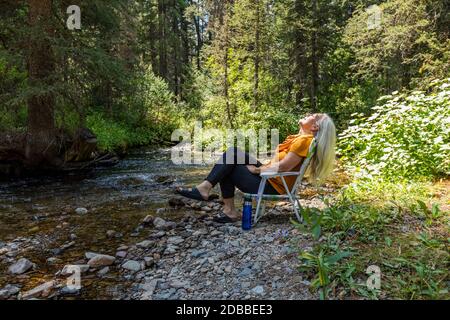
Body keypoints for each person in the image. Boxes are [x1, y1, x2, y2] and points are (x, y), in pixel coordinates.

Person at [176, 113, 336, 223]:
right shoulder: (301, 139)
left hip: (272, 185)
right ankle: (213, 196)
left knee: (229, 165)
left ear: (314, 127)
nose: (308, 114)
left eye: (311, 116)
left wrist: (257, 170)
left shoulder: (304, 141)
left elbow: (284, 167)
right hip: (273, 180)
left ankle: (218, 200)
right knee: (232, 153)